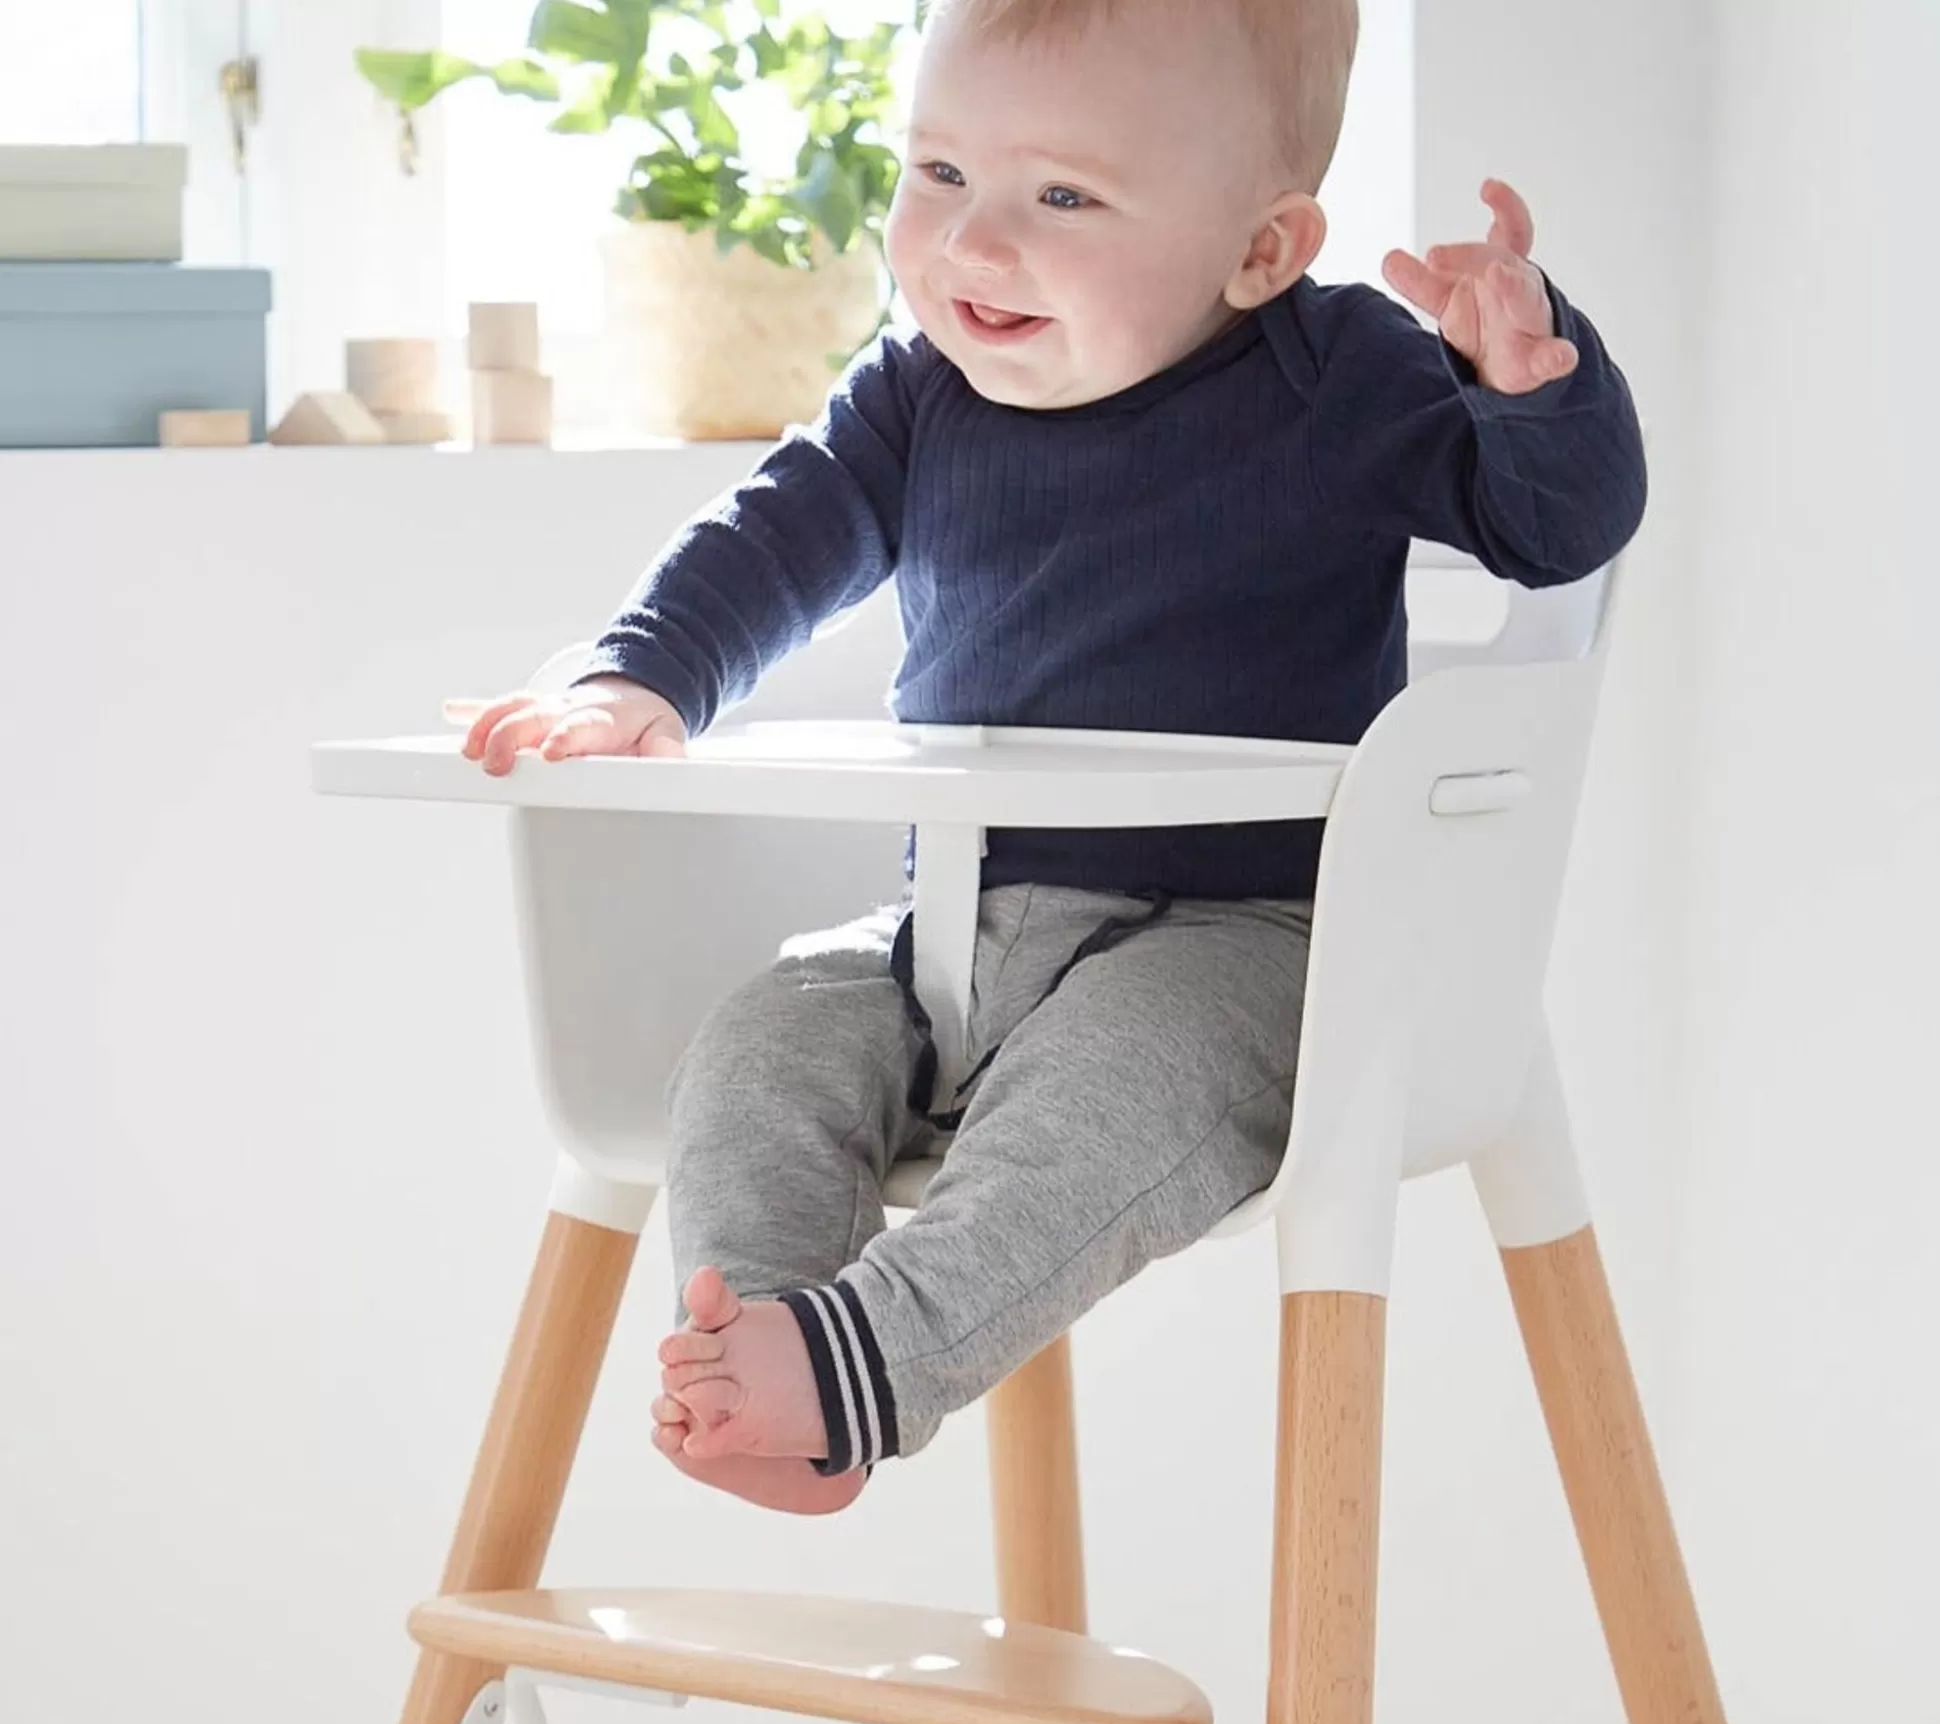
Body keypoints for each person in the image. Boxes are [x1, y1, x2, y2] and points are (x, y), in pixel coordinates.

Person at [455, 0, 1647, 1515]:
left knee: (1108, 1100)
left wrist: (1528, 389)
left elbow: (1556, 531)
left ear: (1262, 252)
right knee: (759, 1042)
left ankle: (869, 1363)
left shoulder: (1336, 376)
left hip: (1247, 939)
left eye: (1062, 196)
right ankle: (755, 1329)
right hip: (946, 933)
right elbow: (776, 536)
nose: (972, 243)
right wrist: (647, 673)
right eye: (939, 172)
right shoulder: (918, 393)